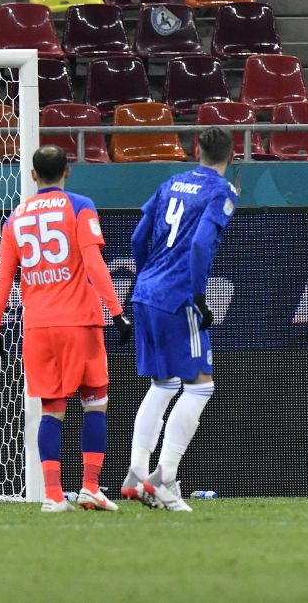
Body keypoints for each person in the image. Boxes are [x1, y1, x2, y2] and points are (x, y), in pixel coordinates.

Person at [0, 145, 131, 512]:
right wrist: (116, 312)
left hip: (38, 328)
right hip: (79, 321)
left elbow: (3, 281)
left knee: (51, 409)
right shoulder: (80, 205)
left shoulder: (14, 219)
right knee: (95, 403)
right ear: (68, 171)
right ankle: (90, 487)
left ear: (33, 174)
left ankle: (52, 495)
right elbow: (94, 263)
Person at [122, 127, 237, 513]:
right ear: (232, 155)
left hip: (145, 292)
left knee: (164, 383)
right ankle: (165, 479)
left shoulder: (171, 182)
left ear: (194, 150)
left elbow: (138, 237)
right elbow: (201, 243)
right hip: (178, 296)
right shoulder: (221, 191)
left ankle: (137, 474)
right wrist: (198, 295)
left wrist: (148, 276)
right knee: (201, 386)